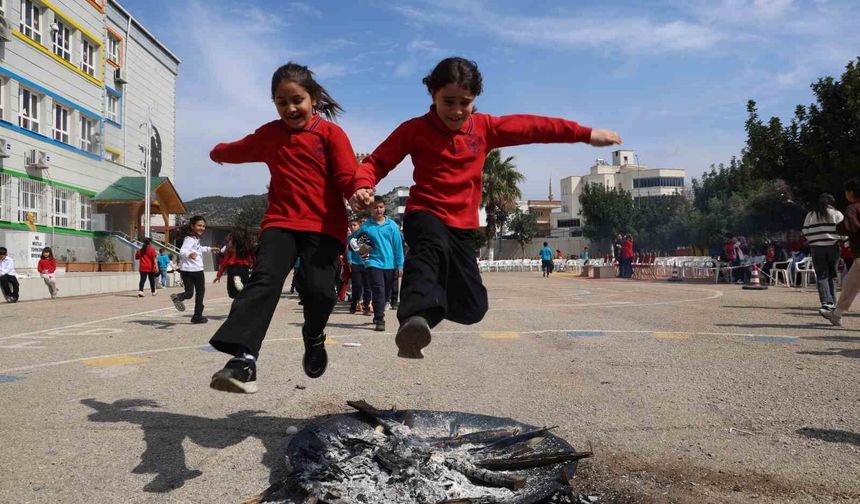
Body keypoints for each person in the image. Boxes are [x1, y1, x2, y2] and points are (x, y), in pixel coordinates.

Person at [355, 56, 622, 358]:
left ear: (475, 99)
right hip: (426, 212)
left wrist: (585, 134)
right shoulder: (414, 129)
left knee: (474, 308)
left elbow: (535, 128)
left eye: (464, 102)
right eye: (448, 101)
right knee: (430, 247)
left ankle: (428, 314)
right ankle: (414, 319)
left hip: (463, 225)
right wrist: (363, 185)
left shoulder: (486, 129)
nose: (456, 111)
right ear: (432, 94)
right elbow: (376, 161)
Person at [206, 62, 370, 394]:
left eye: (297, 100)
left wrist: (357, 191)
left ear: (312, 99)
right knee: (264, 281)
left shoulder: (330, 134)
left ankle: (313, 336)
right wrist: (217, 152)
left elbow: (345, 174)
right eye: (281, 102)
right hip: (280, 222)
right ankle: (243, 359)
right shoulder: (271, 135)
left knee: (320, 290)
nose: (290, 108)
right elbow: (242, 147)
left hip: (324, 226)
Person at [359, 196, 405, 332]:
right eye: (375, 207)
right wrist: (366, 262)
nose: (378, 210)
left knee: (385, 293)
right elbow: (361, 246)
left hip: (389, 264)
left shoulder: (391, 226)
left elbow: (398, 247)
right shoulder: (366, 227)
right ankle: (380, 318)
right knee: (378, 289)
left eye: (380, 207)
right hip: (374, 263)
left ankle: (379, 309)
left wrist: (400, 265)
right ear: (370, 209)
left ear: (384, 208)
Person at [821, 178, 860, 326]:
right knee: (851, 283)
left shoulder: (853, 208)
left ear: (851, 192)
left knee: (851, 283)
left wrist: (839, 227)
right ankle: (836, 314)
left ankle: (837, 313)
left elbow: (849, 227)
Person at [802, 193, 844, 311]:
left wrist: (813, 240)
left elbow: (805, 231)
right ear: (831, 203)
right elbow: (843, 231)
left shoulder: (810, 215)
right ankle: (833, 302)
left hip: (816, 249)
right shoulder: (837, 214)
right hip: (833, 248)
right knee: (832, 276)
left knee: (822, 276)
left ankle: (826, 301)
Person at [170, 216, 213, 323]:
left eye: (203, 226)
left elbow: (198, 249)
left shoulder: (194, 238)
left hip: (185, 270)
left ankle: (179, 297)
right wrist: (189, 254)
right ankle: (197, 316)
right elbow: (183, 250)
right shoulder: (190, 238)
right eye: (199, 225)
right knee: (200, 292)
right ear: (192, 226)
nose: (202, 228)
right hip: (196, 270)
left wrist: (209, 249)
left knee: (189, 293)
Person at [214, 226, 256, 299]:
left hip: (232, 268)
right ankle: (238, 281)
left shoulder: (230, 247)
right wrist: (255, 267)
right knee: (244, 291)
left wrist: (219, 274)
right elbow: (254, 258)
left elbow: (224, 262)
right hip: (244, 268)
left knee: (232, 293)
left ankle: (237, 279)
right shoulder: (247, 246)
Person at [347, 218, 372, 315]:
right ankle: (353, 304)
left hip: (367, 264)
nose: (353, 227)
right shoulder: (350, 238)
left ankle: (366, 307)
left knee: (367, 286)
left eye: (355, 225)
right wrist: (350, 260)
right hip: (356, 264)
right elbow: (349, 250)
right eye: (351, 225)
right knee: (357, 286)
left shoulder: (367, 235)